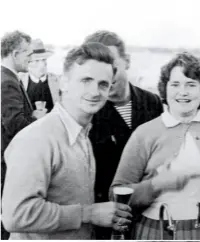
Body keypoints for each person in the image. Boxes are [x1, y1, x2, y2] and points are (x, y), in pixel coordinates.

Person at [2, 42, 132, 240]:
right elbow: (15, 216)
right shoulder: (37, 138)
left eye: (103, 84)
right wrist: (88, 214)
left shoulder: (82, 135)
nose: (95, 92)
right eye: (85, 80)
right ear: (63, 82)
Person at [110, 52, 200, 240]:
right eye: (175, 84)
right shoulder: (145, 133)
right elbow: (117, 193)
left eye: (191, 84)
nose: (183, 92)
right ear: (165, 89)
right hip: (154, 232)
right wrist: (156, 184)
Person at [83, 30, 164, 239]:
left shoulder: (152, 102)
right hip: (107, 221)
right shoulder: (87, 112)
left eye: (112, 69)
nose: (105, 80)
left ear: (127, 61)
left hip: (150, 214)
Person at [1, 30, 46, 240]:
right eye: (28, 53)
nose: (31, 58)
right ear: (15, 53)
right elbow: (15, 124)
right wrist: (37, 119)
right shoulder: (7, 81)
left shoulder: (8, 78)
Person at [19, 39, 61, 112]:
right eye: (37, 61)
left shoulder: (57, 81)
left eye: (44, 60)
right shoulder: (19, 81)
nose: (42, 65)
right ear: (28, 63)